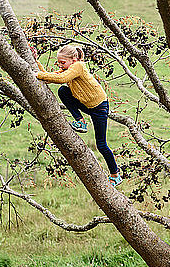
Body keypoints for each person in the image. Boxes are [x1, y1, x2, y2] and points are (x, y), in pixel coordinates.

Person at [34, 45, 122, 187]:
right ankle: (80, 121)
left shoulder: (78, 66)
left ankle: (115, 175)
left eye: (63, 62)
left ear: (73, 60)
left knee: (101, 145)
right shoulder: (68, 68)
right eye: (59, 62)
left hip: (99, 107)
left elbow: (62, 78)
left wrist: (37, 75)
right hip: (86, 104)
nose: (60, 65)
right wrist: (36, 63)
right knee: (63, 91)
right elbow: (51, 78)